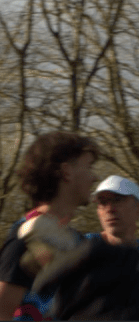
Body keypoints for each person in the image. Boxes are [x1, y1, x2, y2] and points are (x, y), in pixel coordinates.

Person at [0, 131, 99, 320]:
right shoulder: (26, 236)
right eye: (88, 166)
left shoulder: (77, 241)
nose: (94, 177)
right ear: (67, 172)